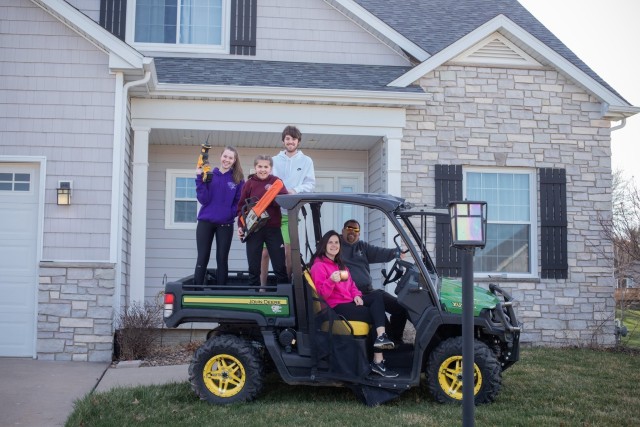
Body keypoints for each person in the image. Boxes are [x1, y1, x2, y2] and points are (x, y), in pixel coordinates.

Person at [310, 230, 399, 378]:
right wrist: (332, 280)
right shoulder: (319, 266)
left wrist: (357, 295)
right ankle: (378, 361)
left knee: (377, 296)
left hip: (349, 302)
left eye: (336, 242)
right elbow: (322, 296)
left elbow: (352, 286)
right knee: (376, 315)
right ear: (324, 245)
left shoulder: (340, 265)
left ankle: (381, 337)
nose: (334, 245)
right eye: (330, 242)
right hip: (335, 308)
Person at [260, 125, 316, 285]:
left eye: (293, 139)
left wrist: (294, 190)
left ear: (298, 141)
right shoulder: (274, 160)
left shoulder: (306, 161)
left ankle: (286, 285)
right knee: (264, 253)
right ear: (284, 141)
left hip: (290, 214)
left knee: (289, 252)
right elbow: (265, 181)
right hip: (271, 213)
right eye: (287, 138)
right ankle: (262, 287)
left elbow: (310, 184)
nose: (290, 141)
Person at [340, 219, 409, 344]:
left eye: (356, 230)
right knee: (378, 308)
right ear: (343, 230)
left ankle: (396, 340)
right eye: (349, 228)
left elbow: (380, 252)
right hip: (351, 295)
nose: (352, 231)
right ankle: (388, 344)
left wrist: (396, 252)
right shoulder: (336, 247)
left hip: (368, 291)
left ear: (359, 233)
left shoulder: (362, 247)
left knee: (400, 307)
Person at [193, 146, 245, 287]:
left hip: (225, 224)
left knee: (222, 259)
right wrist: (199, 177)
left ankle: (221, 290)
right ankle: (196, 290)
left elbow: (239, 202)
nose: (227, 160)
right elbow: (203, 199)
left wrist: (229, 213)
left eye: (230, 158)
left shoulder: (238, 179)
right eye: (225, 156)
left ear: (234, 161)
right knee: (202, 257)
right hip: (205, 222)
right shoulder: (210, 174)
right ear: (221, 156)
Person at [237, 155, 289, 288]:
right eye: (260, 166)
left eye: (266, 167)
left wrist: (272, 196)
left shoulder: (276, 182)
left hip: (274, 229)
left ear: (270, 168)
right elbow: (241, 207)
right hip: (254, 230)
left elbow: (285, 201)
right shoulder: (249, 183)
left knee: (279, 265)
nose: (262, 170)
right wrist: (240, 226)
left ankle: (284, 297)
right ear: (255, 167)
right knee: (253, 267)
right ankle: (253, 296)